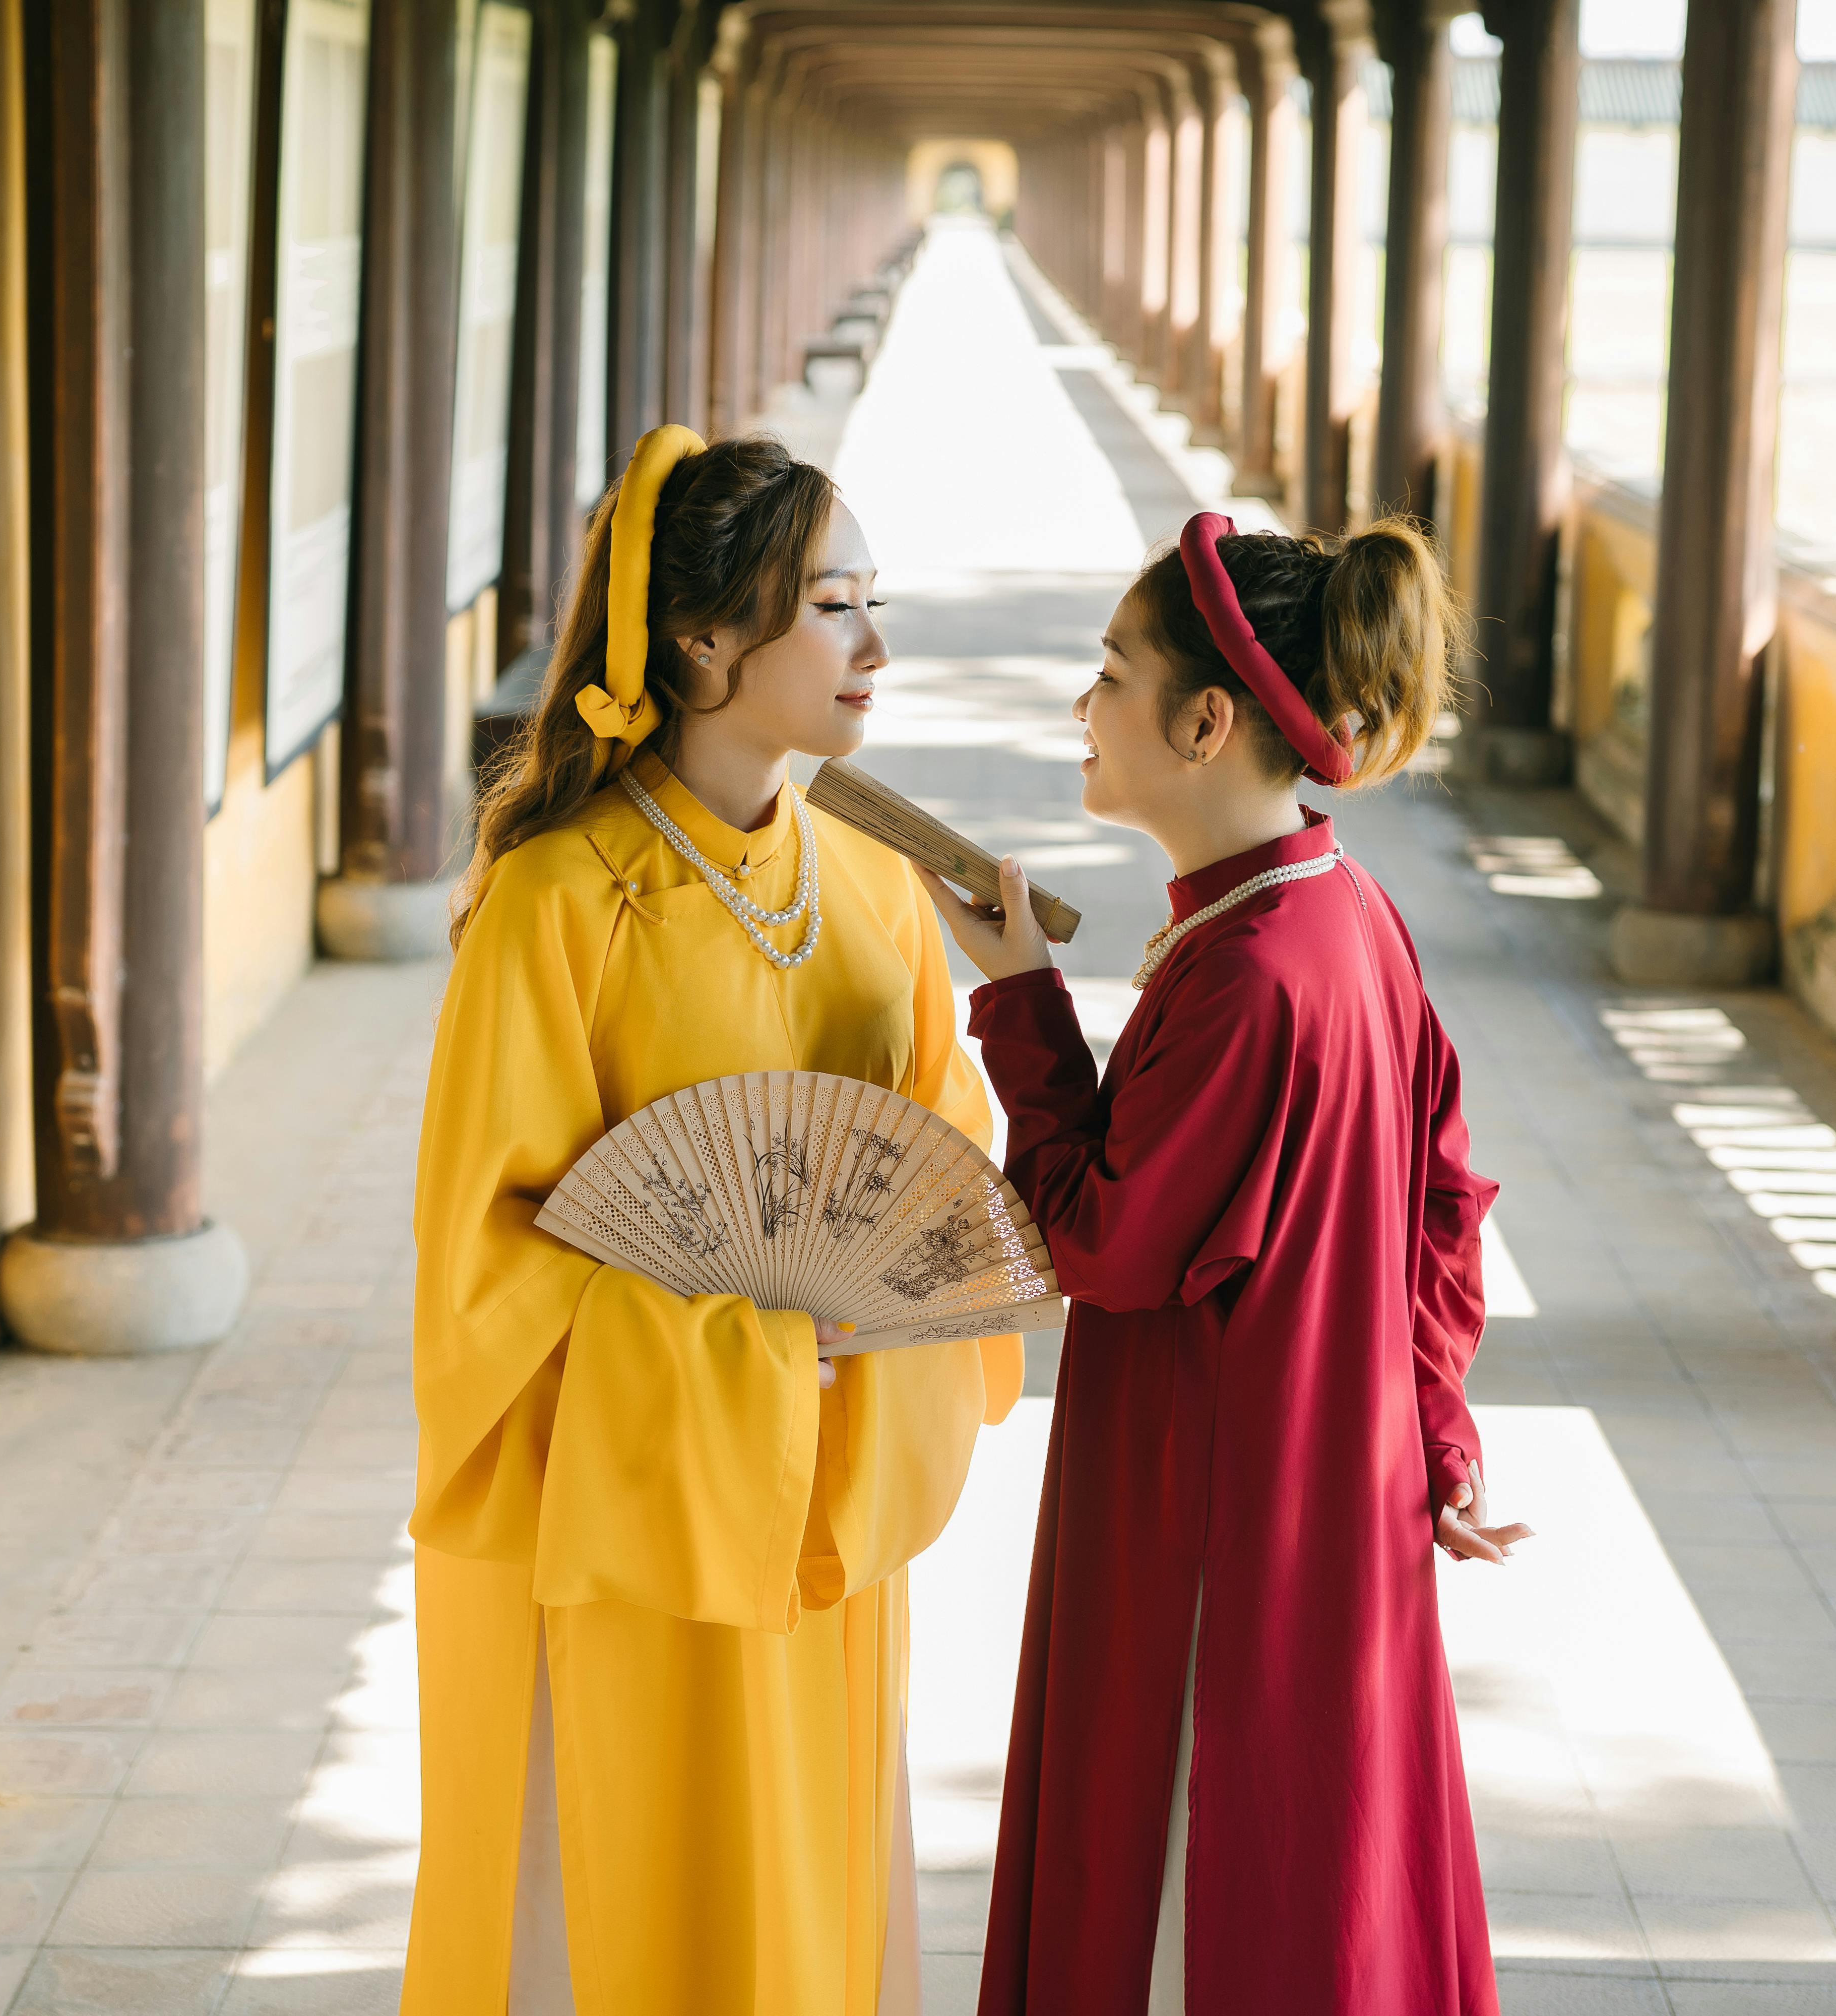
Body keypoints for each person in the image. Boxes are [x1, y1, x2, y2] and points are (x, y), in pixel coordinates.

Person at [403, 427, 1019, 2014]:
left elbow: (944, 1188)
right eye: (833, 606)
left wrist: (864, 1331)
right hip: (624, 1526)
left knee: (809, 1918)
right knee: (623, 1919)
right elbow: (486, 1266)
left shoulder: (875, 889)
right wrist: (742, 1352)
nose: (875, 646)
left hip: (823, 1518)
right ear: (701, 641)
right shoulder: (558, 904)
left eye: (872, 601)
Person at [930, 512, 1530, 2016]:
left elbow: (1103, 1244)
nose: (1086, 706)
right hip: (1337, 1482)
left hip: (1223, 1508)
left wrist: (1021, 1010)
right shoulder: (1342, 919)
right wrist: (1429, 1426)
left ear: (1206, 721)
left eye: (1111, 674)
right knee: (1324, 1878)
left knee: (1207, 1888)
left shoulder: (1252, 974)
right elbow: (1442, 1210)